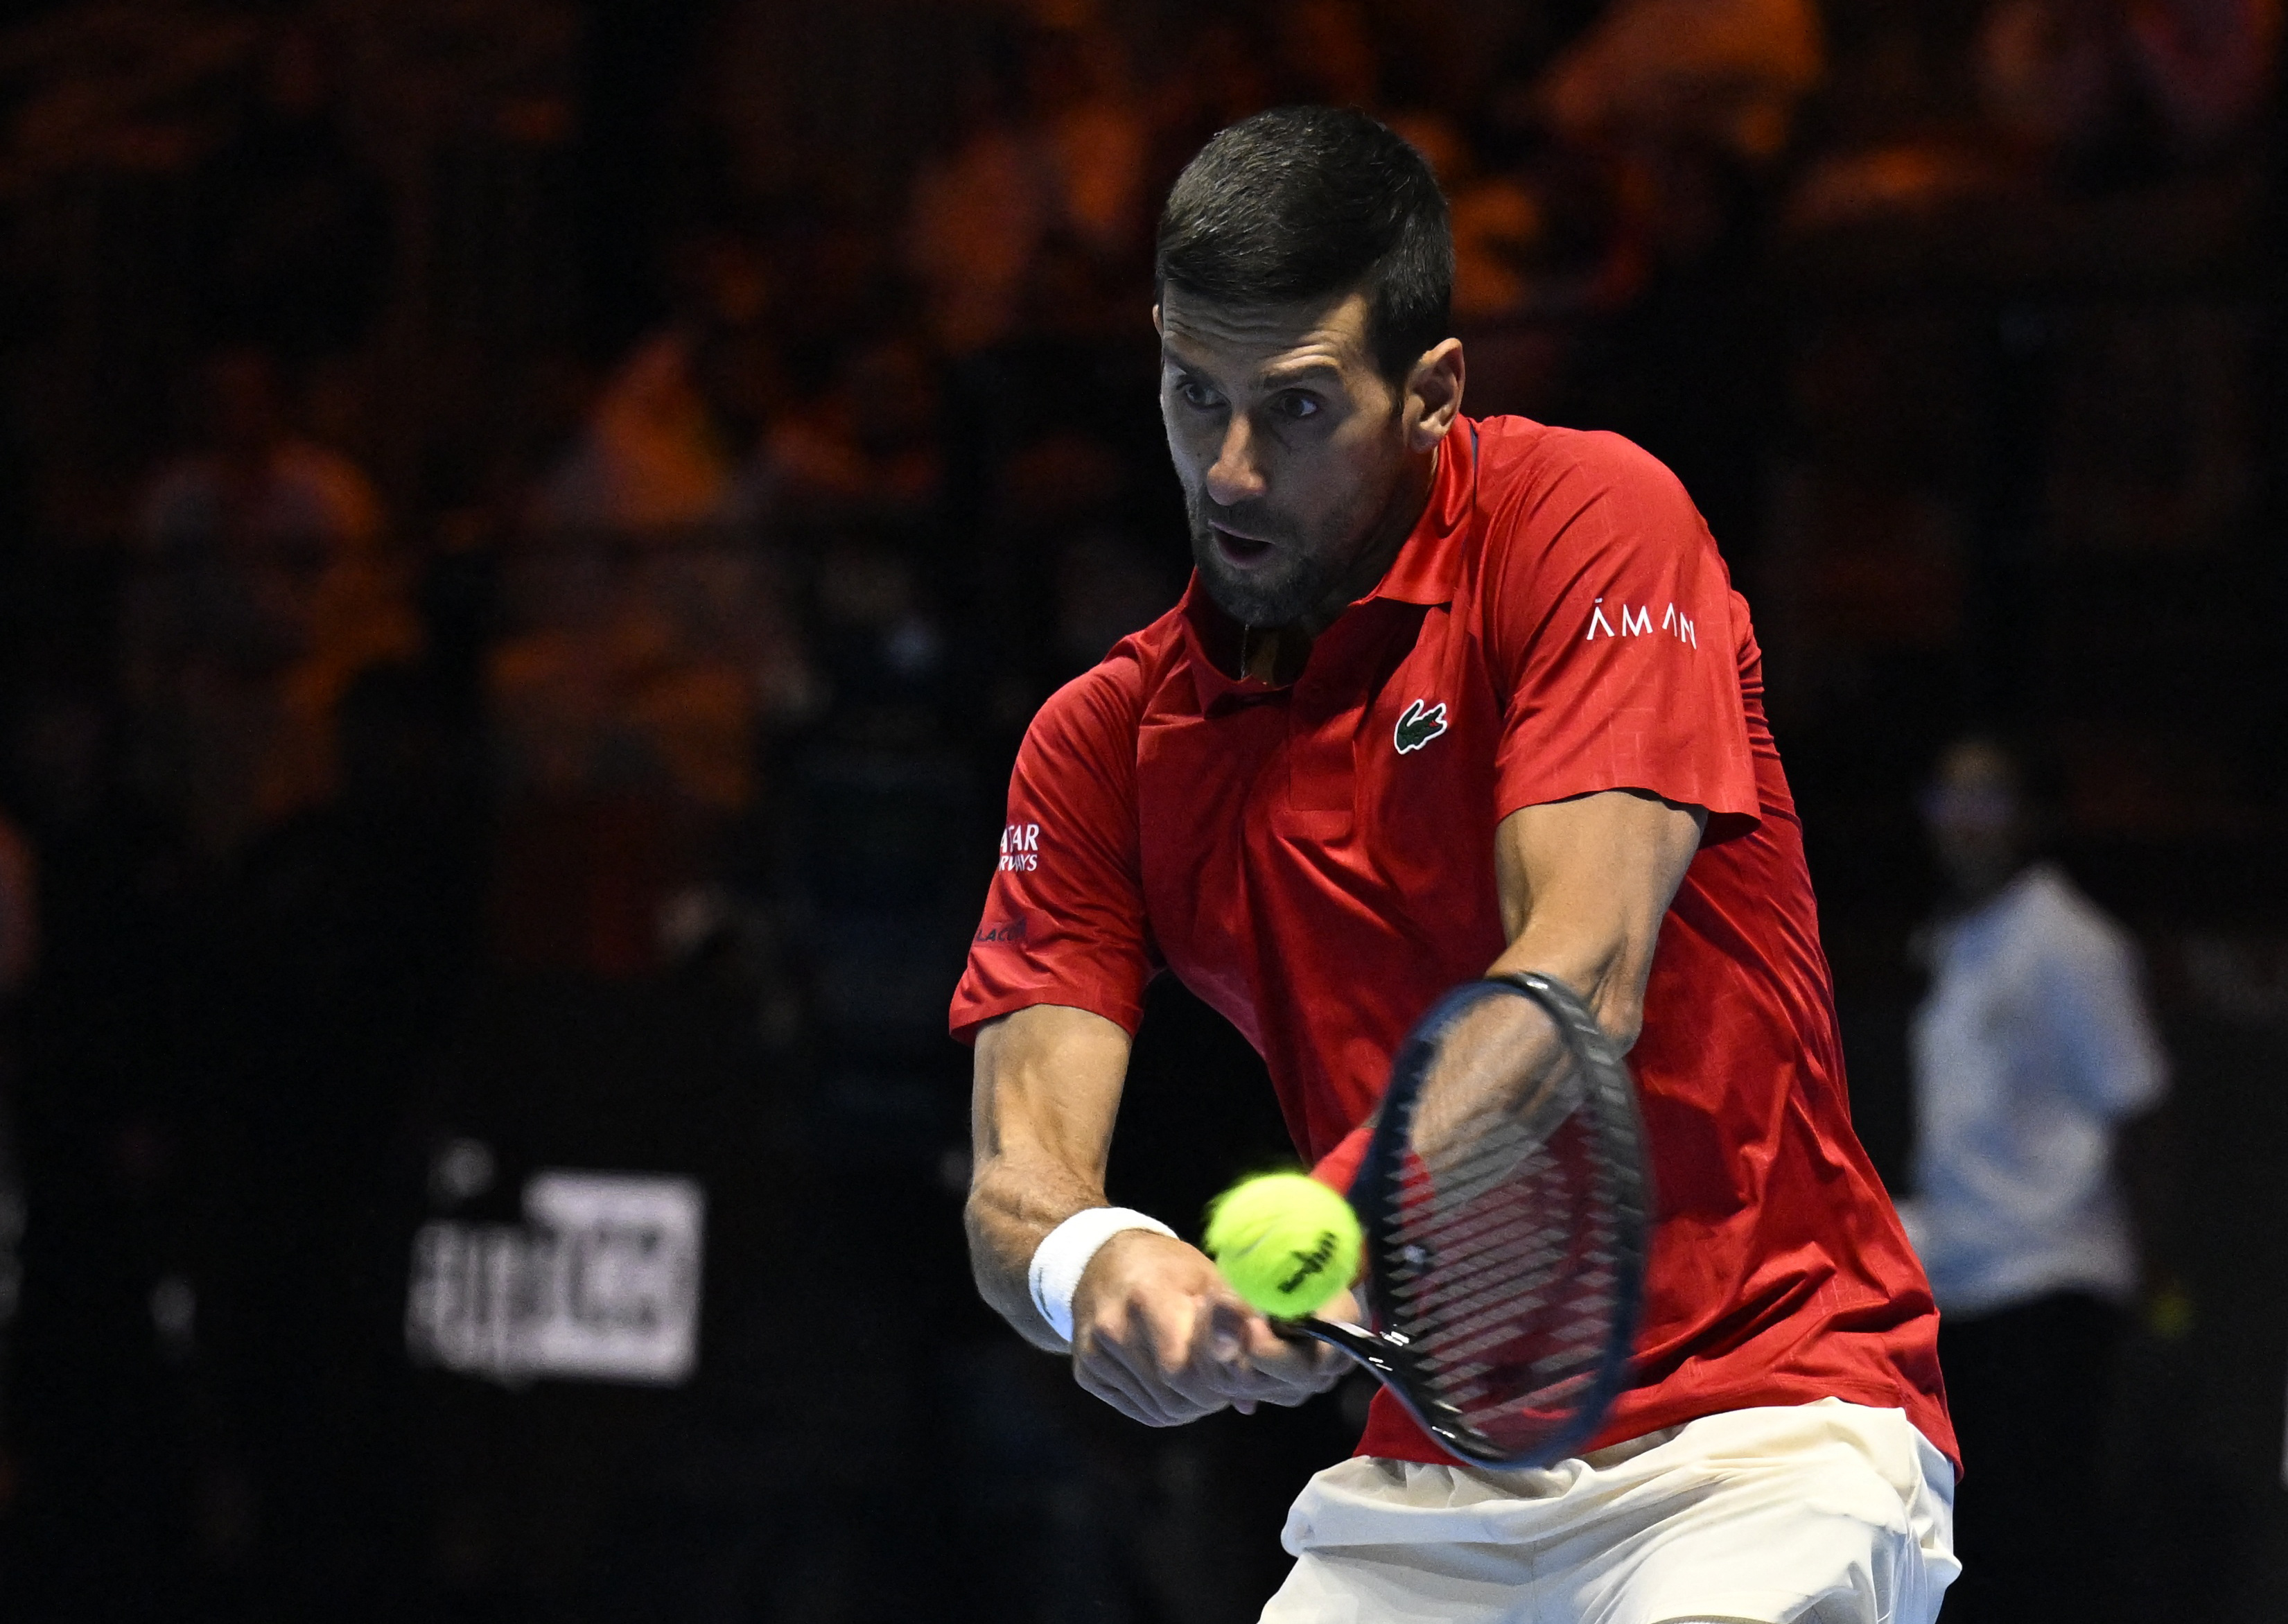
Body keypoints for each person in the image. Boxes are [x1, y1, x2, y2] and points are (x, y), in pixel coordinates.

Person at [950, 107, 1958, 1623]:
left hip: (1765, 1430)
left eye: (1295, 408)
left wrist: (1330, 1233)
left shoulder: (1588, 524)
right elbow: (1017, 1169)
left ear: (1430, 391)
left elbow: (1577, 978)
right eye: (1193, 395)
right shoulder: (1103, 743)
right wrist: (1098, 1264)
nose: (1229, 471)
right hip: (1431, 1478)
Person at [1896, 734, 2167, 1624]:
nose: (1964, 821)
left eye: (1989, 799)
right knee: (1963, 1550)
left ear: (2033, 817)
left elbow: (2138, 1110)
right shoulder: (1948, 940)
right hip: (1959, 1285)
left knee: (2041, 1545)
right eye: (1948, 798)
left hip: (2052, 1285)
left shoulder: (2070, 942)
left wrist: (2149, 1278)